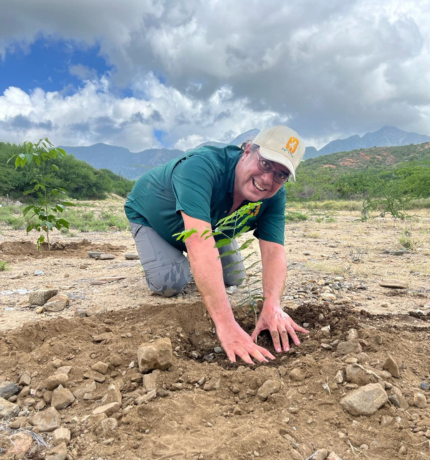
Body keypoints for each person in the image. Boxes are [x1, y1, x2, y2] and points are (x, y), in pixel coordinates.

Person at [124, 125, 309, 364]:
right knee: (169, 283)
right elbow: (199, 242)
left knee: (234, 276)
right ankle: (166, 257)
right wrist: (227, 325)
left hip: (209, 225)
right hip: (153, 218)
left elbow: (274, 250)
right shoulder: (201, 166)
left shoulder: (274, 196)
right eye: (265, 164)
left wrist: (272, 306)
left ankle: (200, 268)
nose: (267, 179)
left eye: (280, 175)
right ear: (247, 151)